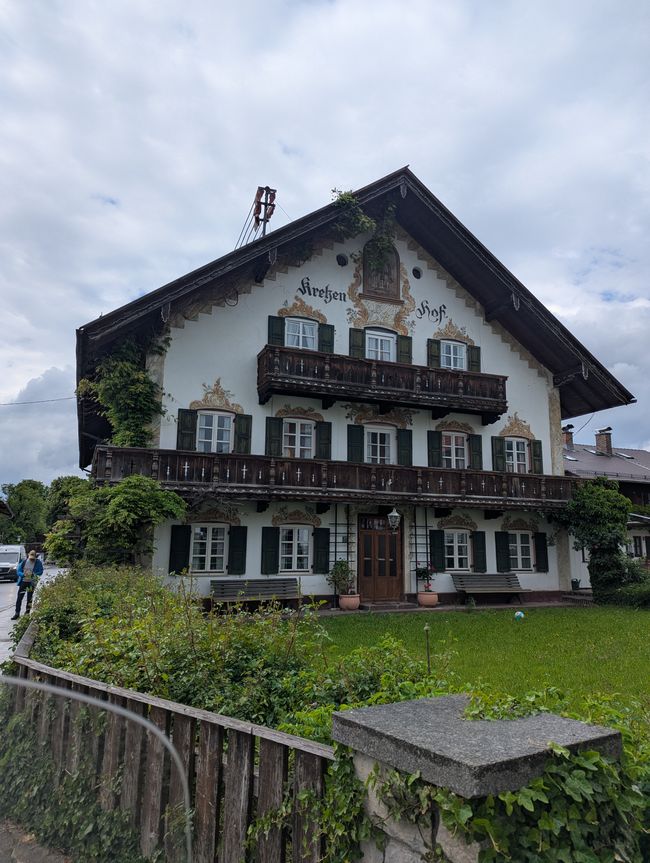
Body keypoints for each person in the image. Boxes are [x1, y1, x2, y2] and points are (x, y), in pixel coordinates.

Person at [11, 549, 43, 619]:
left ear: (35, 557)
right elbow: (18, 570)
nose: (31, 560)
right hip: (23, 582)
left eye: (33, 558)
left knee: (29, 598)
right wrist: (22, 575)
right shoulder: (24, 561)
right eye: (30, 558)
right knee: (19, 598)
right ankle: (17, 613)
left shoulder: (38, 562)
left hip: (31, 583)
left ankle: (27, 612)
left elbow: (41, 571)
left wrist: (33, 574)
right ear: (28, 555)